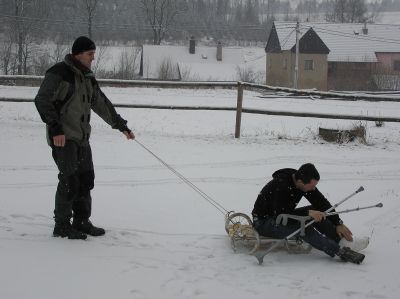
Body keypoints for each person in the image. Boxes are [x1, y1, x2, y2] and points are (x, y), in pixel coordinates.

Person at [35, 36, 135, 240]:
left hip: (82, 138)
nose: (93, 58)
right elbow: (42, 100)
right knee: (69, 180)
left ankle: (81, 221)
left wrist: (121, 125)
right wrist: (56, 129)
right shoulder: (59, 73)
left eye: (94, 54)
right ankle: (62, 225)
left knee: (86, 179)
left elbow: (101, 104)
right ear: (77, 54)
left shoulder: (87, 77)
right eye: (90, 54)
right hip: (64, 138)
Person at [252, 163, 369, 264]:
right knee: (304, 228)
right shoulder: (280, 185)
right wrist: (307, 213)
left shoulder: (302, 182)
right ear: (300, 181)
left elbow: (321, 202)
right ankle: (339, 251)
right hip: (264, 222)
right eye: (312, 186)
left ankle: (342, 241)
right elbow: (280, 215)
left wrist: (338, 222)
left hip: (282, 216)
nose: (313, 189)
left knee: (316, 210)